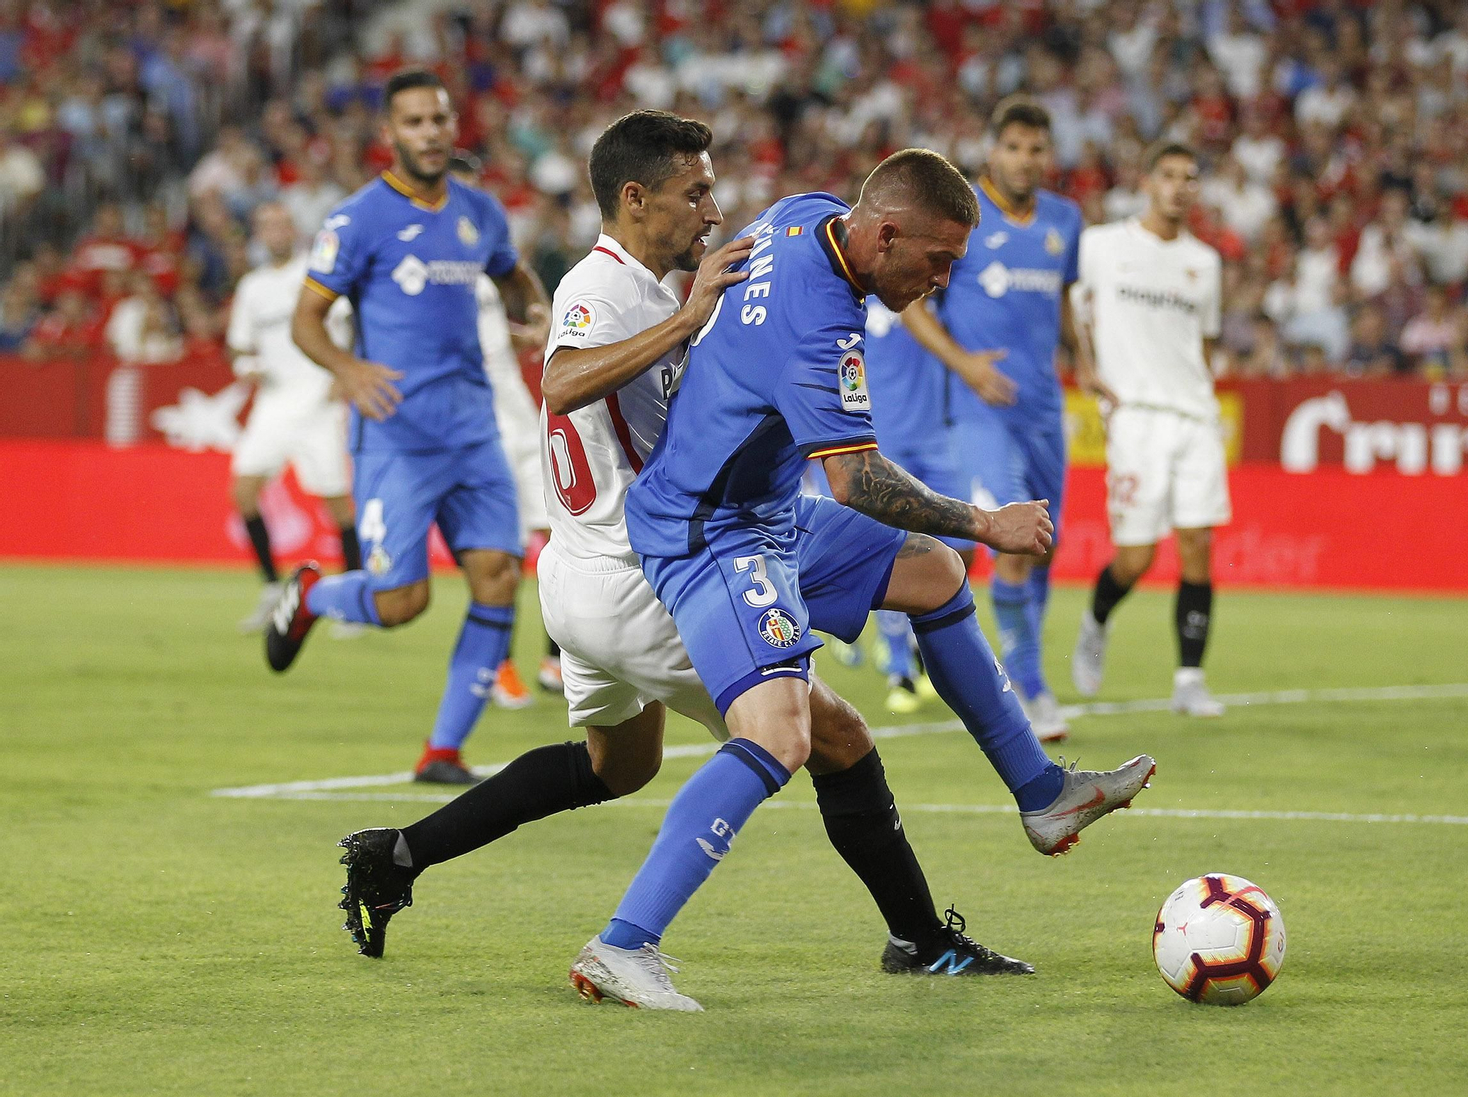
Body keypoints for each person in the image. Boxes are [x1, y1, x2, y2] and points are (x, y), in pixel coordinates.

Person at [335, 111, 1031, 984]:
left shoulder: (659, 283)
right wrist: (688, 318)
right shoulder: (605, 286)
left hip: (587, 571)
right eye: (692, 191)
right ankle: (915, 942)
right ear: (635, 198)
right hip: (644, 572)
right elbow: (560, 381)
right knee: (832, 736)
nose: (710, 209)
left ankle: (393, 857)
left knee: (617, 766)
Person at [573, 149, 1155, 1010]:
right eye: (937, 261)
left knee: (933, 575)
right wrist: (988, 519)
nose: (943, 281)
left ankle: (1043, 796)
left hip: (762, 508)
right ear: (885, 235)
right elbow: (856, 481)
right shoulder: (818, 319)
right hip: (709, 529)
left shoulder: (806, 212)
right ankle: (622, 945)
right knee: (780, 734)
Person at [267, 70, 551, 784]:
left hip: (474, 430)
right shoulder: (358, 218)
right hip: (396, 435)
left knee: (498, 574)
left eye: (440, 119)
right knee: (402, 601)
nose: (430, 132)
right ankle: (309, 595)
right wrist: (348, 368)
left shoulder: (479, 213)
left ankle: (443, 750)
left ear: (454, 128)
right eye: (415, 122)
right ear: (389, 135)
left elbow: (512, 276)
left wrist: (536, 310)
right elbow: (307, 319)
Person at [899, 97, 1085, 742]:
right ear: (991, 151)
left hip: (1043, 408)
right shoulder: (961, 220)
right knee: (1013, 536)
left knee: (1044, 545)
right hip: (980, 413)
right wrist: (965, 364)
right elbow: (912, 306)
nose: (1025, 160)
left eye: (1036, 148)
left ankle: (990, 655)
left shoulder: (1066, 220)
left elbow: (1063, 303)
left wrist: (1086, 359)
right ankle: (1029, 685)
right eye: (1013, 147)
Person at [1069, 142, 1229, 718]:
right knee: (1135, 557)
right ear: (1147, 181)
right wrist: (1084, 362)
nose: (1181, 187)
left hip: (1195, 417)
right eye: (1169, 175)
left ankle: (1190, 678)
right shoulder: (1102, 246)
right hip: (1135, 417)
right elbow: (1072, 304)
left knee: (1197, 544)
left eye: (1191, 177)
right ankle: (1097, 619)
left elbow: (1204, 344)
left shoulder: (1205, 263)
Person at [446, 152, 558, 709]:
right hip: (482, 429)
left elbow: (489, 340)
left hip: (521, 421)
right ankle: (499, 667)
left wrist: (525, 333)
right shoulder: (429, 280)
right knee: (504, 557)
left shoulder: (481, 279)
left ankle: (556, 661)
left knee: (564, 541)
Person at [227, 201, 362, 632]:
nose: (275, 231)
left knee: (336, 503)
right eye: (266, 225)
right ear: (258, 234)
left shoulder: (315, 271)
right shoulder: (252, 287)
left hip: (317, 400)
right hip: (273, 401)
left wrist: (344, 373)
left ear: (293, 228)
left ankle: (355, 597)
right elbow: (239, 345)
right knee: (243, 491)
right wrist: (246, 366)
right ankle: (271, 587)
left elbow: (353, 323)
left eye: (281, 222)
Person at [860, 294, 965, 713]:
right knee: (892, 553)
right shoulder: (855, 300)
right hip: (883, 443)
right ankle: (899, 668)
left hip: (940, 441)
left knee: (957, 555)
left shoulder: (940, 299)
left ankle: (919, 646)